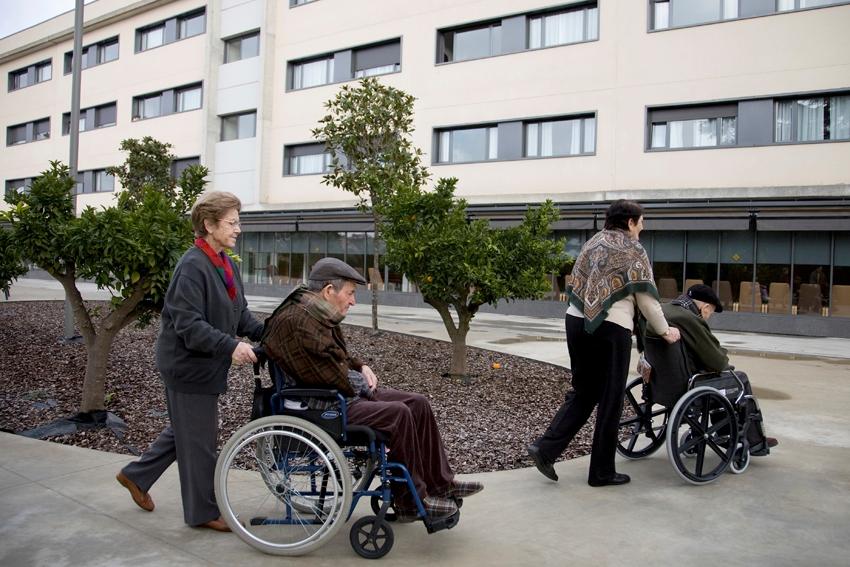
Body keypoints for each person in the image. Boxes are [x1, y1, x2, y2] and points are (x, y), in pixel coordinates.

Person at [262, 257, 483, 522]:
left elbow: (337, 358)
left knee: (418, 403)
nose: (353, 301)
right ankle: (411, 502)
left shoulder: (315, 312)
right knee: (398, 414)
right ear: (329, 291)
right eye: (350, 293)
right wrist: (359, 382)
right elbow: (332, 375)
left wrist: (360, 366)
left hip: (336, 393)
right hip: (321, 405)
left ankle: (441, 484)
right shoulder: (300, 322)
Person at [116, 191, 263, 532]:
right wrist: (231, 347)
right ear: (209, 225)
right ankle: (203, 512)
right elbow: (189, 325)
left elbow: (240, 315)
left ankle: (135, 476)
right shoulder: (192, 266)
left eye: (238, 221)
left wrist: (268, 332)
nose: (238, 229)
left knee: (188, 431)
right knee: (200, 442)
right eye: (232, 222)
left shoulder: (225, 264)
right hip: (187, 366)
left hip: (204, 365)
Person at [527, 199, 681, 487]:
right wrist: (664, 331)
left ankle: (545, 448)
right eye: (642, 222)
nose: (642, 229)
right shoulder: (633, 249)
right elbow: (646, 298)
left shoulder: (593, 242)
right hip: (611, 329)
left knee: (585, 391)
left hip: (576, 320)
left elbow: (578, 283)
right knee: (611, 399)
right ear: (631, 222)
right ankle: (601, 472)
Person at [653, 284, 778, 455]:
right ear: (705, 307)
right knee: (739, 379)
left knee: (722, 380)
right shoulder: (690, 318)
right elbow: (717, 361)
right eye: (710, 312)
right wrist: (723, 359)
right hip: (688, 384)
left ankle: (729, 433)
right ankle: (753, 441)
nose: (708, 316)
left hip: (660, 382)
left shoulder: (662, 310)